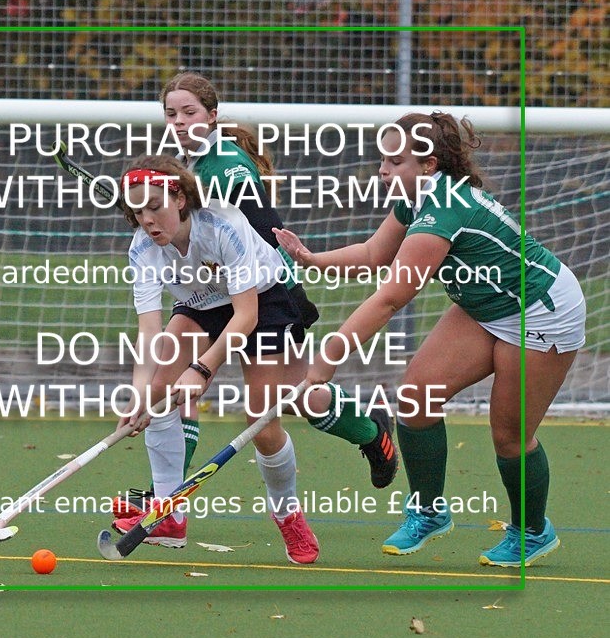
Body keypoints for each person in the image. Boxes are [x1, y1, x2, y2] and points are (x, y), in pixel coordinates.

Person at [274, 111, 586, 567]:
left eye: (396, 161)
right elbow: (373, 254)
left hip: (539, 309)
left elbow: (390, 298)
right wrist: (310, 258)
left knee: (509, 435)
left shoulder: (444, 207)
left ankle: (533, 531)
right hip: (484, 305)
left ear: (428, 165)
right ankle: (429, 512)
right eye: (383, 160)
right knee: (416, 398)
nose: (383, 170)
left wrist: (328, 358)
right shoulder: (414, 197)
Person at [116, 72, 395, 512]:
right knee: (164, 383)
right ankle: (167, 500)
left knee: (294, 399)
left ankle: (372, 431)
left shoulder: (226, 165)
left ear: (212, 115)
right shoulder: (185, 164)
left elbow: (261, 231)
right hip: (211, 292)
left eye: (189, 113)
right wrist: (152, 212)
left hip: (263, 290)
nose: (180, 122)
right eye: (172, 114)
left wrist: (170, 209)